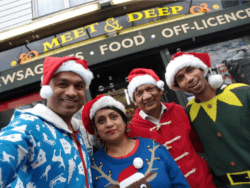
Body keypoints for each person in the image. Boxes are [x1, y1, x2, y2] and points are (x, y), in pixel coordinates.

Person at [0, 56, 94, 188]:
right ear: (47, 89)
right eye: (63, 84)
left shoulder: (77, 130)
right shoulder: (27, 125)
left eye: (79, 86)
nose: (72, 92)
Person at [165, 51, 250, 188]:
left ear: (202, 69)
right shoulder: (189, 112)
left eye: (190, 70)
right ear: (178, 87)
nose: (189, 78)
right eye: (181, 78)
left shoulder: (242, 92)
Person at [127, 68, 216, 188]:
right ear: (135, 102)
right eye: (139, 94)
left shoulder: (179, 110)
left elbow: (198, 144)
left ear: (160, 91)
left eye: (150, 89)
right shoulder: (132, 131)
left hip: (203, 182)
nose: (147, 96)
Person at [81, 94, 190, 188]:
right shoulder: (92, 166)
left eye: (114, 117)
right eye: (101, 121)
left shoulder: (155, 148)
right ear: (96, 130)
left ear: (125, 122)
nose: (109, 124)